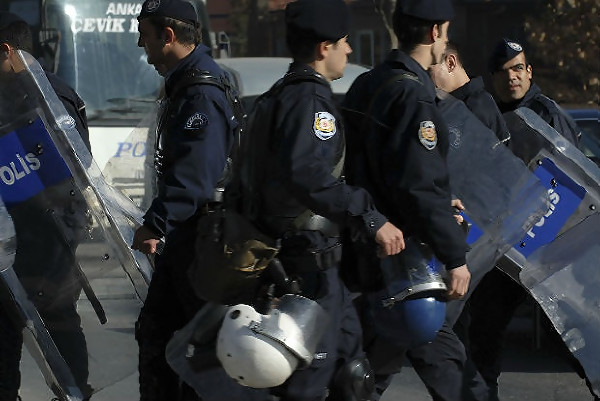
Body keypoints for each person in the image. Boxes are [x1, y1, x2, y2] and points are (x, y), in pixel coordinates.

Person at [236, 0, 406, 400]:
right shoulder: (307, 101)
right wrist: (370, 218)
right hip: (306, 267)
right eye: (344, 41)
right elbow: (307, 175)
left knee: (352, 375)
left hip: (317, 267)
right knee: (307, 385)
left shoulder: (281, 95)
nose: (349, 49)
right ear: (323, 47)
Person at [341, 1, 483, 400]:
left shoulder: (367, 83)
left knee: (368, 372)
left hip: (367, 256)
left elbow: (382, 171)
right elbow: (418, 185)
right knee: (453, 376)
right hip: (405, 266)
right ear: (435, 32)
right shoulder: (412, 95)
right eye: (446, 32)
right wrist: (454, 256)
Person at [130, 0, 241, 400]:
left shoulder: (200, 91)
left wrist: (156, 223)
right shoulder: (190, 83)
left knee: (185, 345)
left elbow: (195, 174)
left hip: (201, 240)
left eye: (145, 37)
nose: (142, 48)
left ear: (168, 36)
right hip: (192, 237)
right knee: (167, 337)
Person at [465, 37, 583, 401]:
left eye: (518, 68)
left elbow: (571, 181)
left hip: (546, 248)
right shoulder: (487, 115)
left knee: (567, 335)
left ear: (529, 72)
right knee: (483, 331)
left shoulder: (546, 114)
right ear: (493, 77)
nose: (512, 77)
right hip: (502, 247)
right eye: (503, 71)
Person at [0, 11, 92, 401]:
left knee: (57, 318)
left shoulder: (50, 96)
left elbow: (77, 170)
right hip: (14, 231)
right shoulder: (9, 93)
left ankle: (73, 393)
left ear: (6, 51)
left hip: (52, 231)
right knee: (6, 323)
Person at [429, 40, 510, 143]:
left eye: (428, 70)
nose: (424, 78)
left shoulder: (477, 107)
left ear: (450, 63)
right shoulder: (445, 104)